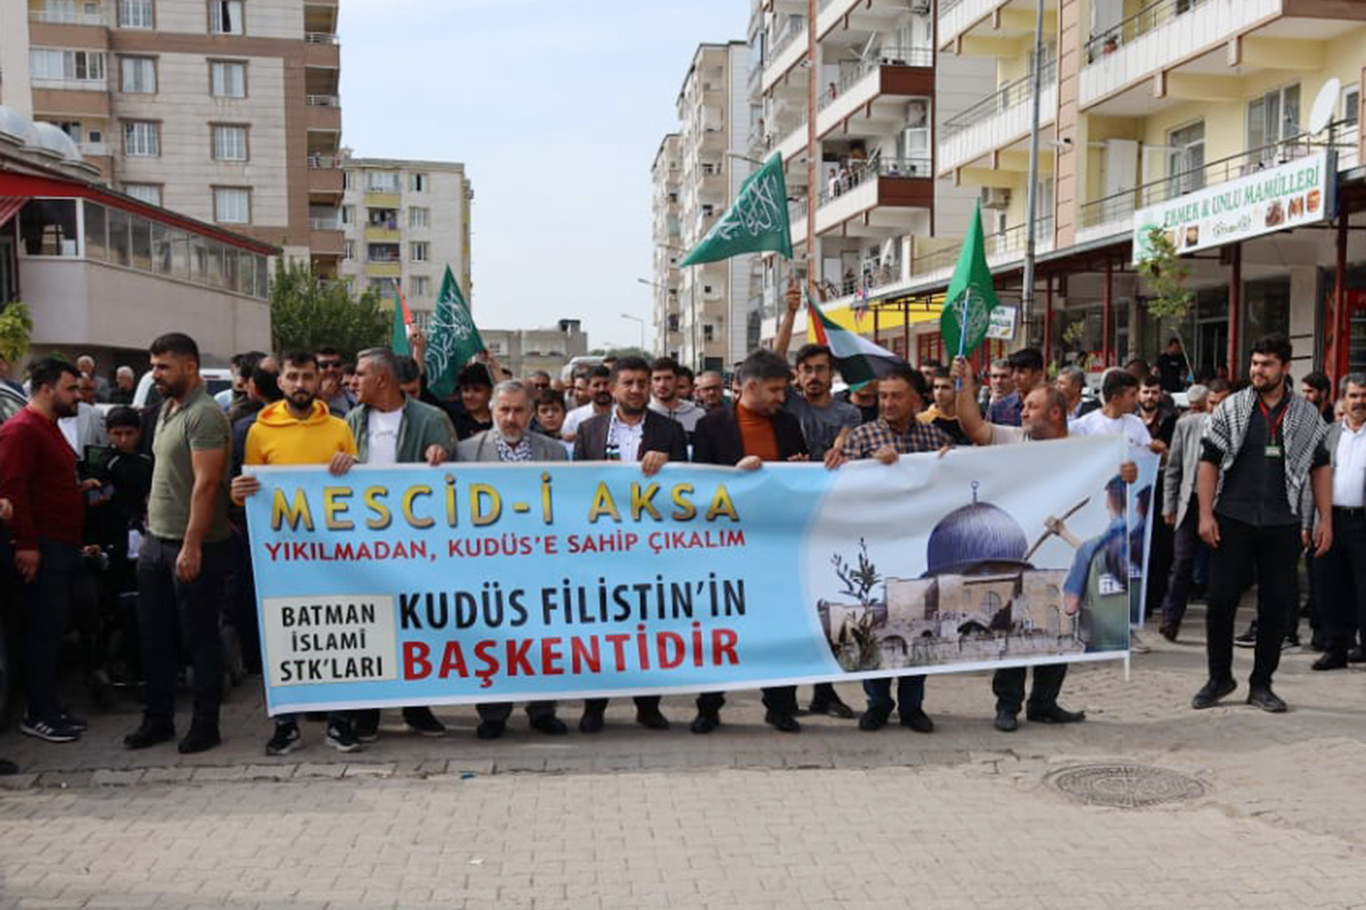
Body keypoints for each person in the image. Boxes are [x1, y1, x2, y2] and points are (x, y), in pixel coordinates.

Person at [951, 356, 1132, 732]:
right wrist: (965, 383)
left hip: (1063, 559)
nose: (1023, 412)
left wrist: (1126, 471)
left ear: (1055, 412)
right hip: (1021, 555)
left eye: (1031, 407)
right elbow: (972, 424)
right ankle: (1007, 705)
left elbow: (1116, 478)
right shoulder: (1015, 439)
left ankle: (1044, 703)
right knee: (1015, 629)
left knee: (1060, 631)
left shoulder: (1086, 448)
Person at [229, 351, 363, 754]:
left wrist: (353, 466)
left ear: (319, 381)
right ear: (281, 382)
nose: (302, 383)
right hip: (283, 559)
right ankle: (286, 724)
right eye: (293, 376)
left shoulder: (340, 427)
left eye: (308, 376)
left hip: (334, 557)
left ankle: (340, 723)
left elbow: (360, 491)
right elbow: (252, 496)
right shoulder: (258, 431)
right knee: (285, 638)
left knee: (339, 635)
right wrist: (238, 494)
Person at [1193, 334, 1332, 714]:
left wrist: (1325, 520)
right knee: (1220, 601)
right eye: (1254, 363)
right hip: (1232, 518)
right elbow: (1207, 461)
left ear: (1285, 368)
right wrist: (1205, 513)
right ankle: (1219, 677)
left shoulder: (1306, 414)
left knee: (1276, 607)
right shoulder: (1232, 408)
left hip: (1282, 522)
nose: (1258, 370)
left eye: (1267, 364)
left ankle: (1261, 683)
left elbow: (1320, 467)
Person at [124, 333, 234, 754]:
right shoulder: (168, 408)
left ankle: (206, 725)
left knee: (199, 638)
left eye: (163, 367)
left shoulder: (203, 414)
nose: (156, 375)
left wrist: (192, 545)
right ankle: (158, 720)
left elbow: (207, 485)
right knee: (154, 637)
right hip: (156, 542)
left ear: (190, 366)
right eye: (153, 367)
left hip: (194, 546)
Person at [690, 349, 809, 735]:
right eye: (775, 390)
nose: (781, 397)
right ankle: (709, 706)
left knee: (780, 626)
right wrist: (733, 477)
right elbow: (697, 488)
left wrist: (799, 472)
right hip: (725, 547)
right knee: (719, 627)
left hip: (777, 545)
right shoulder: (711, 426)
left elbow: (802, 482)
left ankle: (780, 706)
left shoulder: (790, 424)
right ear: (751, 386)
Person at [573, 357, 686, 733]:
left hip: (650, 548)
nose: (637, 390)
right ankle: (595, 706)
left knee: (649, 627)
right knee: (600, 628)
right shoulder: (589, 431)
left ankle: (648, 705)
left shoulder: (669, 431)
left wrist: (669, 463)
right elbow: (576, 489)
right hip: (601, 548)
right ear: (613, 387)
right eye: (629, 383)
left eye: (642, 382)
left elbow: (688, 483)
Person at [838, 363, 949, 734]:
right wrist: (869, 467)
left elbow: (949, 485)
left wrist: (953, 465)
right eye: (883, 396)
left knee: (919, 626)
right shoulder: (861, 437)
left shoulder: (934, 440)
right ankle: (878, 703)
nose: (887, 403)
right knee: (876, 626)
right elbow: (842, 490)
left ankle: (912, 706)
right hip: (876, 549)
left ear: (917, 399)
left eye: (896, 396)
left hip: (919, 550)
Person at [457, 380, 570, 739]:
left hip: (539, 564)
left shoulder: (554, 452)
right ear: (492, 411)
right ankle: (493, 713)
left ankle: (542, 710)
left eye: (519, 410)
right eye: (504, 410)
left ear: (532, 413)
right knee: (493, 639)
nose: (511, 418)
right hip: (489, 566)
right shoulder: (466, 451)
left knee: (541, 637)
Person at [0, 358, 88, 743]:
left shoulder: (48, 427)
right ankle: (39, 712)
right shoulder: (21, 430)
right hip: (43, 549)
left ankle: (49, 705)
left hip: (63, 546)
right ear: (47, 388)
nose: (79, 396)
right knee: (41, 633)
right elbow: (13, 489)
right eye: (71, 388)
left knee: (54, 630)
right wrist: (27, 545)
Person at [1158, 380, 1230, 641]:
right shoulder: (1187, 425)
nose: (1217, 408)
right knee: (1182, 562)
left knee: (1220, 569)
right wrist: (1169, 504)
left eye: (1223, 403)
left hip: (1224, 506)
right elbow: (1174, 468)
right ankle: (1170, 619)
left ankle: (1219, 625)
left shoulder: (1241, 429)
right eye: (1213, 403)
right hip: (1190, 502)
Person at [1308, 373, 1366, 670]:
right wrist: (1309, 523)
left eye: (1363, 396)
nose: (1359, 402)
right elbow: (1311, 479)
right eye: (1353, 396)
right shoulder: (1328, 434)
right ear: (1343, 399)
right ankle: (1335, 648)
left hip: (1362, 523)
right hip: (1330, 520)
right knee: (1330, 586)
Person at [1070, 370, 1156, 451]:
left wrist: (1158, 450)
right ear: (1116, 398)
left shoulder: (1137, 423)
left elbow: (1151, 455)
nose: (1137, 400)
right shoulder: (1083, 426)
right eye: (1132, 395)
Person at [648, 356, 706, 436]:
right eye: (657, 379)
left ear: (677, 380)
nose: (662, 384)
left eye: (668, 378)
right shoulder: (643, 415)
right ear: (650, 382)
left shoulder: (698, 415)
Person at [988, 348, 1044, 427]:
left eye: (1021, 372)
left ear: (1038, 374)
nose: (1015, 377)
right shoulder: (998, 408)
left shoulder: (1051, 407)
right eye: (1013, 371)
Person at [919, 368, 972, 446]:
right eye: (936, 387)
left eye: (945, 387)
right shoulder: (922, 420)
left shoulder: (970, 421)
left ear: (958, 390)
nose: (939, 393)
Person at [562, 365, 612, 442]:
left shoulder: (625, 415)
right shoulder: (573, 418)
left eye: (606, 384)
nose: (602, 389)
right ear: (588, 388)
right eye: (596, 385)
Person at [453, 363, 494, 440]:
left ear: (490, 392)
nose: (469, 396)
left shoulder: (499, 421)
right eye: (466, 390)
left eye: (477, 390)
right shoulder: (453, 421)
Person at [316, 346, 354, 415]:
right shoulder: (305, 399)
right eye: (324, 365)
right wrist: (324, 398)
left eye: (336, 365)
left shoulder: (353, 399)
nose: (331, 369)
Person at [535, 388, 572, 455]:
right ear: (536, 416)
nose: (550, 415)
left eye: (555, 410)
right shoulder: (531, 446)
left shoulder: (574, 444)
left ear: (564, 414)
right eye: (544, 411)